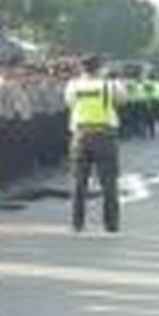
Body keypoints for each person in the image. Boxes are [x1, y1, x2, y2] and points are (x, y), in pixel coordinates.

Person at [66, 55, 125, 234]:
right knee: (109, 183)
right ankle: (111, 224)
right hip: (105, 135)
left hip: (81, 135)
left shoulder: (73, 85)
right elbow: (122, 101)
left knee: (79, 182)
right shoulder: (110, 84)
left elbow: (70, 104)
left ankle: (77, 223)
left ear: (82, 68)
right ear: (100, 68)